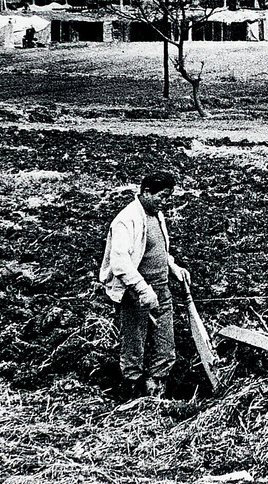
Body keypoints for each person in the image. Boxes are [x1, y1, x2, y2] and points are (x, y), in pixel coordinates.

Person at [99, 171, 191, 399]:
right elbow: (120, 263)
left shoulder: (156, 215)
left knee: (165, 346)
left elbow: (158, 249)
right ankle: (132, 393)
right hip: (135, 294)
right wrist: (142, 289)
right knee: (134, 346)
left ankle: (157, 391)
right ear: (146, 192)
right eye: (163, 196)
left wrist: (173, 267)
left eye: (170, 197)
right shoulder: (126, 220)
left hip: (161, 290)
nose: (167, 202)